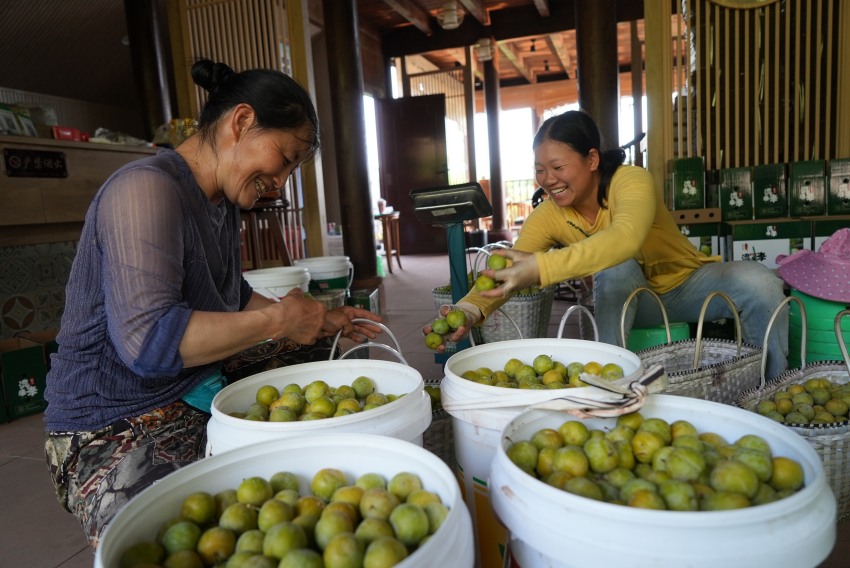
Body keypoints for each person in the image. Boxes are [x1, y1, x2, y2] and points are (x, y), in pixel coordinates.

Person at [43, 59, 382, 549]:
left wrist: (321, 321)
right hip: (111, 415)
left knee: (321, 350)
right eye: (284, 158)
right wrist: (281, 319)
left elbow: (234, 296)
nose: (281, 181)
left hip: (186, 383)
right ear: (240, 122)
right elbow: (148, 343)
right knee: (178, 541)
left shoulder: (221, 204)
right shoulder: (144, 189)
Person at [428, 109, 788, 380]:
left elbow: (624, 239)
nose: (547, 180)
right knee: (616, 269)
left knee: (759, 280)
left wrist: (543, 267)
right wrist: (471, 309)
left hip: (690, 288)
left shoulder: (630, 181)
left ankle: (765, 388)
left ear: (592, 159)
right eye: (540, 170)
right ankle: (609, 383)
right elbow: (504, 272)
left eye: (557, 167)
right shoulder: (548, 215)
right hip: (628, 300)